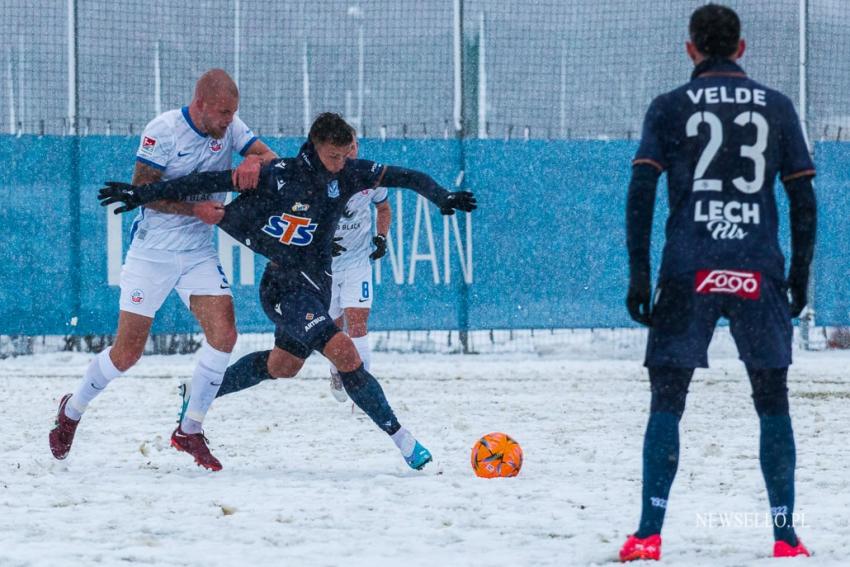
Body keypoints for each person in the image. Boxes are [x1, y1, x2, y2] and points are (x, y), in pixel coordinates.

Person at [98, 112, 476, 470]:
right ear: (314, 146)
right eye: (334, 156)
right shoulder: (277, 174)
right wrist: (143, 195)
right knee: (343, 351)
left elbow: (406, 177)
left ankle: (198, 394)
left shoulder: (348, 173)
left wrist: (443, 197)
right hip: (283, 288)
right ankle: (406, 442)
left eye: (347, 155)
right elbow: (206, 183)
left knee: (284, 365)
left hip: (316, 285)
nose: (342, 163)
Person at [620, 4, 816, 561]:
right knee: (772, 398)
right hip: (758, 264)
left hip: (689, 265)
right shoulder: (776, 105)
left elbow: (641, 192)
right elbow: (803, 197)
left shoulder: (670, 106)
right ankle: (785, 538)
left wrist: (639, 271)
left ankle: (648, 534)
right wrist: (799, 272)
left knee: (668, 398)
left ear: (690, 49)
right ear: (742, 48)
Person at [49, 69, 278, 472]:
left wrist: (256, 163)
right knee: (127, 354)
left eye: (233, 114)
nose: (229, 121)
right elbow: (143, 194)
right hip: (152, 253)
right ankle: (73, 409)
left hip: (197, 252)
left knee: (225, 335)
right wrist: (195, 209)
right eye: (223, 113)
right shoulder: (164, 131)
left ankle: (189, 430)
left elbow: (270, 157)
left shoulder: (231, 126)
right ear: (201, 104)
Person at [326, 134, 391, 403]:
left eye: (354, 146)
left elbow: (384, 209)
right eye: (346, 146)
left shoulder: (371, 176)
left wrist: (381, 237)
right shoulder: (321, 178)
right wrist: (323, 242)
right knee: (332, 326)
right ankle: (336, 369)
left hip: (357, 262)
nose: (351, 151)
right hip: (325, 268)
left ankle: (363, 390)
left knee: (358, 322)